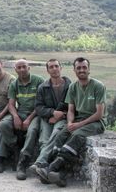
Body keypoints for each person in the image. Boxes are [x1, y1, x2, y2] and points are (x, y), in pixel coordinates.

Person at [37, 57, 106, 187]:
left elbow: (99, 114)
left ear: (89, 69)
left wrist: (78, 125)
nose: (81, 70)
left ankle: (51, 169)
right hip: (78, 119)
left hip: (96, 122)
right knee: (61, 134)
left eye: (84, 67)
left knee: (76, 135)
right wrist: (69, 123)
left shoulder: (98, 86)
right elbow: (71, 110)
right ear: (74, 70)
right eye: (78, 68)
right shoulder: (73, 87)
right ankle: (59, 175)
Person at [29, 59, 71, 183]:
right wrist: (52, 113)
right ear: (47, 70)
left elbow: (74, 107)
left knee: (55, 134)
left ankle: (40, 163)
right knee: (44, 140)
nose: (54, 69)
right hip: (48, 118)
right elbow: (38, 107)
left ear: (61, 68)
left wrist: (61, 115)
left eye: (56, 66)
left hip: (64, 118)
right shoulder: (43, 87)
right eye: (51, 67)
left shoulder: (70, 86)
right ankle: (45, 173)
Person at [7, 59, 44, 179]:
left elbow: (40, 104)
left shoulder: (39, 81)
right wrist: (16, 116)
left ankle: (22, 163)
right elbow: (11, 104)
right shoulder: (14, 84)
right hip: (20, 112)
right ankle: (15, 150)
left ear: (29, 68)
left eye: (24, 67)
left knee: (32, 130)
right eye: (19, 67)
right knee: (4, 125)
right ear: (15, 70)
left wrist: (29, 119)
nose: (22, 69)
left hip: (36, 114)